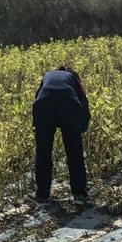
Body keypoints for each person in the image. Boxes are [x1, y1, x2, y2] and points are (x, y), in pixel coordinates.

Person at [33, 66, 91, 202]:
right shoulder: (73, 78)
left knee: (43, 151)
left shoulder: (47, 76)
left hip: (43, 106)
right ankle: (79, 192)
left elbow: (38, 97)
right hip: (68, 106)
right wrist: (81, 127)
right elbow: (84, 100)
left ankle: (42, 193)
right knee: (74, 151)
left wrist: (36, 124)